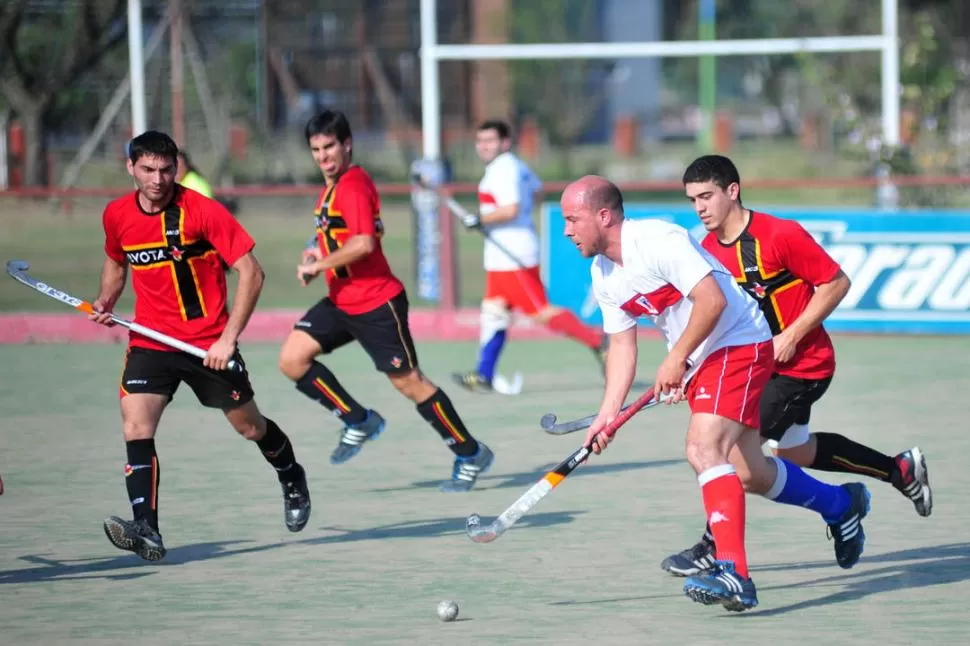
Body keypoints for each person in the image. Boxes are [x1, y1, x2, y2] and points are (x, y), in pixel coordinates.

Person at [562, 175, 871, 612]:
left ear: (604, 216)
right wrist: (606, 416)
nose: (567, 231)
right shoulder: (604, 274)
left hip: (739, 342)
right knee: (750, 473)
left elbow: (713, 302)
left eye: (572, 220)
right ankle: (841, 504)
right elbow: (621, 349)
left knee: (703, 448)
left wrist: (676, 358)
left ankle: (733, 572)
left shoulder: (658, 241)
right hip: (705, 357)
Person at [660, 155, 932, 576]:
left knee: (730, 454)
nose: (700, 207)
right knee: (795, 452)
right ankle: (897, 470)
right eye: (693, 199)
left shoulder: (779, 234)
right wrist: (687, 370)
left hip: (803, 367)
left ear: (733, 191)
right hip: (752, 370)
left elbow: (836, 282)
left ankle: (714, 547)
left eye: (707, 196)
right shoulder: (707, 252)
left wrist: (792, 334)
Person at [91, 131, 311, 562]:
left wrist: (227, 339)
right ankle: (147, 528)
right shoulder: (117, 215)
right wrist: (106, 300)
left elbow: (252, 273)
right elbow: (117, 263)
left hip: (208, 343)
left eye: (167, 169)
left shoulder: (200, 210)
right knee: (136, 426)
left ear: (178, 167)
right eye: (149, 169)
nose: (158, 179)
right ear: (131, 168)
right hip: (151, 340)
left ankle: (291, 473)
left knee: (250, 427)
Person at [277, 109, 494, 493]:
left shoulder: (352, 184)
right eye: (316, 149)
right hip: (342, 301)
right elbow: (343, 232)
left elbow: (364, 243)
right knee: (292, 360)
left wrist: (319, 264)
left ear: (347, 145)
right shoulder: (333, 186)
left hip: (377, 304)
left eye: (330, 146)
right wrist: (316, 250)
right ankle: (358, 420)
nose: (324, 155)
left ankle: (470, 451)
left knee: (409, 383)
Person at [451, 120, 607, 393]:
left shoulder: (505, 169)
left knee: (539, 311)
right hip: (501, 254)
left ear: (505, 142)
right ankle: (483, 373)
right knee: (493, 313)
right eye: (480, 141)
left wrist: (481, 219)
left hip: (511, 254)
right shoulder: (515, 166)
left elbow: (510, 209)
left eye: (490, 141)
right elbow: (535, 191)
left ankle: (596, 340)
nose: (484, 146)